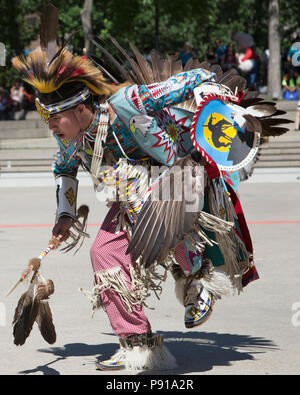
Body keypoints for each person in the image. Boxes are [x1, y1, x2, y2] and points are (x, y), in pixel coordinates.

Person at [13, 4, 290, 372]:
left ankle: (197, 276)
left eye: (55, 119)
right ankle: (139, 344)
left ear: (79, 107)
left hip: (183, 178)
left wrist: (216, 101)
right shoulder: (72, 139)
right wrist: (65, 213)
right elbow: (63, 169)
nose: (52, 128)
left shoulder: (128, 103)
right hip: (136, 196)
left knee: (142, 196)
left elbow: (195, 79)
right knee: (103, 253)